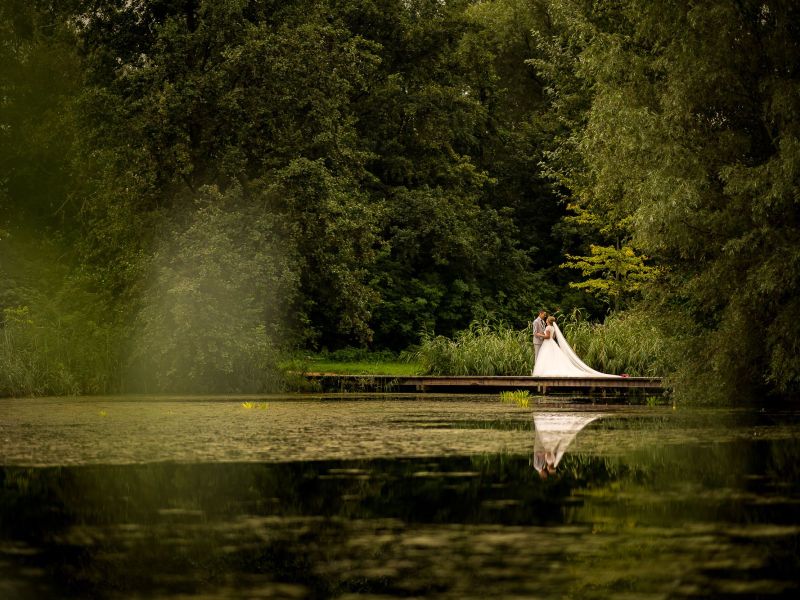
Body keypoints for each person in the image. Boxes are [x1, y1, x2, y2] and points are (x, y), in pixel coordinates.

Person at [532, 316, 619, 378]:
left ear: (548, 321)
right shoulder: (553, 328)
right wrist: (546, 336)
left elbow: (547, 337)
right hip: (552, 343)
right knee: (553, 357)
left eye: (547, 319)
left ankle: (546, 371)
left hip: (548, 343)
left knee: (547, 357)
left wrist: (540, 334)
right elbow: (553, 337)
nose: (546, 320)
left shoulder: (548, 327)